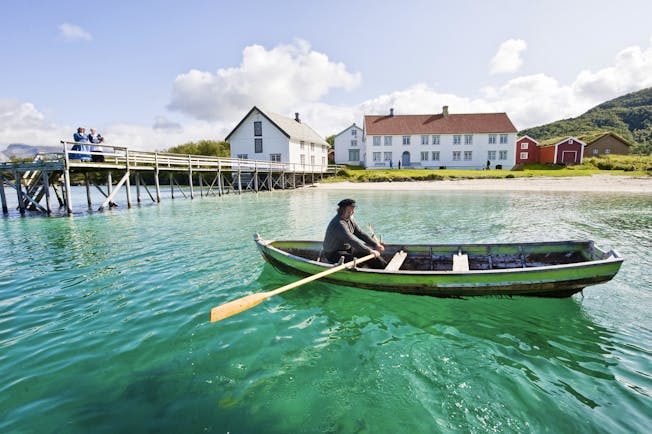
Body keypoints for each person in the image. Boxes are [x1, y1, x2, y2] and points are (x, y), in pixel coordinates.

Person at [322, 198, 386, 268]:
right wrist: (370, 251)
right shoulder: (338, 224)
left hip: (348, 249)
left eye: (353, 209)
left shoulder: (350, 220)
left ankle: (385, 269)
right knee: (358, 263)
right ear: (342, 210)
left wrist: (375, 245)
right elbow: (351, 240)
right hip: (334, 253)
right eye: (350, 210)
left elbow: (361, 234)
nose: (353, 212)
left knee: (375, 259)